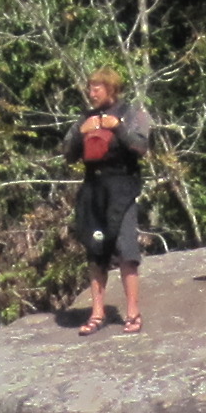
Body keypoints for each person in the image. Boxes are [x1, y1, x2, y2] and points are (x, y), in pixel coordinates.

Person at [66, 72, 154, 335]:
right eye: (90, 88)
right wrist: (78, 136)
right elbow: (68, 155)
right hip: (94, 189)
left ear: (111, 89)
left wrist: (117, 127)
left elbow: (141, 146)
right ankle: (97, 313)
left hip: (122, 189)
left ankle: (132, 313)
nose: (91, 93)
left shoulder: (132, 113)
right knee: (95, 252)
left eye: (97, 88)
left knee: (127, 250)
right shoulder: (85, 118)